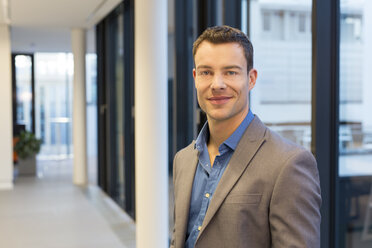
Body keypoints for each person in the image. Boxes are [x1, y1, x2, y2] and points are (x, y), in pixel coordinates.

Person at [170, 25, 321, 248]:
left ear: (251, 79)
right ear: (195, 77)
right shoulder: (183, 160)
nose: (217, 84)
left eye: (230, 72)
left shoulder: (288, 164)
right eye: (206, 72)